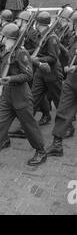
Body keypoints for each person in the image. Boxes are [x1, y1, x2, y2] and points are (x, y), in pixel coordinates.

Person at [0, 23, 47, 170]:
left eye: (5, 38)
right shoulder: (7, 51)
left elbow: (28, 75)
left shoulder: (21, 52)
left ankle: (41, 151)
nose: (2, 40)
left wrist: (10, 79)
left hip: (21, 96)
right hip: (7, 96)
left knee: (29, 126)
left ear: (13, 39)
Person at [46, 11, 77, 157]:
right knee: (63, 110)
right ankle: (57, 144)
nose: (69, 26)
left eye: (71, 23)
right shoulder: (74, 38)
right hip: (71, 81)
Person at [31, 11, 63, 123]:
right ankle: (25, 126)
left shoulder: (51, 37)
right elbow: (38, 51)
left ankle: (67, 126)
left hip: (52, 72)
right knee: (33, 98)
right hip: (41, 71)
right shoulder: (41, 35)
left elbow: (53, 58)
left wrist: (38, 60)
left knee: (58, 99)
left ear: (38, 23)